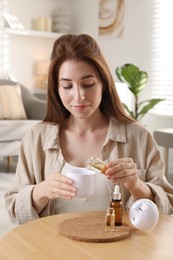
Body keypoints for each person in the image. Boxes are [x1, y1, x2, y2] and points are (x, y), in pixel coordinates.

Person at [4, 33, 173, 225]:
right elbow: (14, 211)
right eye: (67, 86)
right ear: (56, 89)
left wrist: (137, 186)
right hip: (51, 250)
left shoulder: (138, 137)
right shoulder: (37, 139)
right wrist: (42, 191)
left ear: (103, 84)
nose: (78, 96)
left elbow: (167, 208)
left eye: (88, 84)